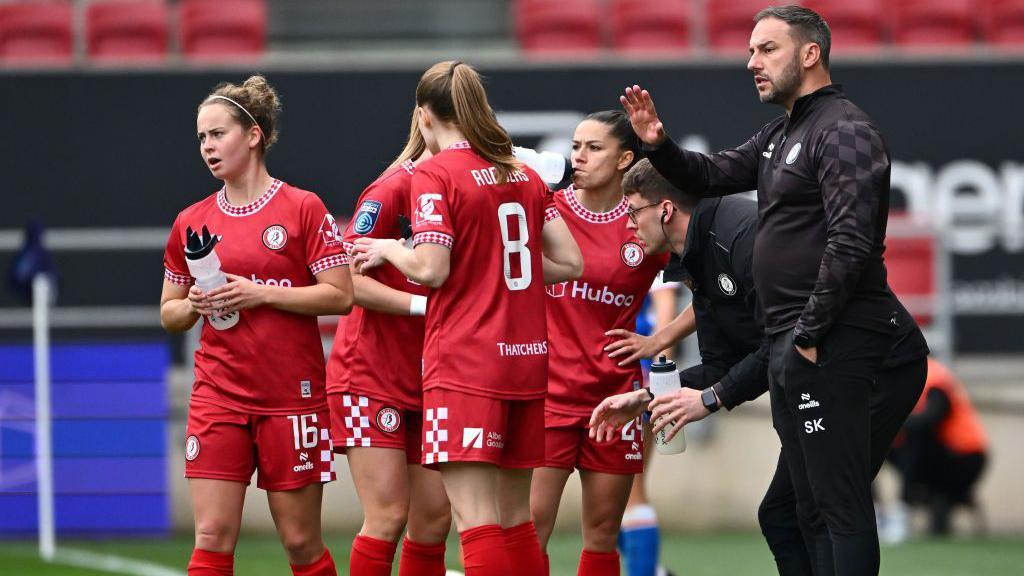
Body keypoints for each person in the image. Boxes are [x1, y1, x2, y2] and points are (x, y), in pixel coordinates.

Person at [589, 159, 929, 576]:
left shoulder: (746, 234)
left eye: (632, 211)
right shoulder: (695, 253)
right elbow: (720, 362)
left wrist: (713, 399)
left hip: (876, 366)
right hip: (816, 372)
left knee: (829, 505)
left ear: (664, 209)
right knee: (783, 514)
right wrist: (646, 398)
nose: (627, 224)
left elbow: (786, 341)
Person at [351, 60, 583, 576]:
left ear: (423, 117)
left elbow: (431, 268)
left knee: (474, 518)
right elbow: (571, 262)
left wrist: (391, 247)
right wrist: (491, 265)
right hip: (526, 359)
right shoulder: (519, 171)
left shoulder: (434, 173)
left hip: (467, 363)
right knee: (516, 518)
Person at [159, 76, 353, 576]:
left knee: (301, 542)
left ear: (254, 135)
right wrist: (196, 304)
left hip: (292, 396)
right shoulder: (190, 221)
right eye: (201, 137)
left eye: (217, 134)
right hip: (218, 394)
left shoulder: (303, 208)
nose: (207, 146)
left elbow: (341, 295)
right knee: (211, 536)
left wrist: (260, 292)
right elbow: (169, 312)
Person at [528, 111, 667, 576]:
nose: (578, 157)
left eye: (593, 148)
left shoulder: (645, 226)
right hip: (546, 396)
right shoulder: (545, 209)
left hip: (614, 400)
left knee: (604, 536)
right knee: (530, 530)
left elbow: (709, 290)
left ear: (626, 158)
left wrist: (658, 340)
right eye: (575, 146)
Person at [326, 111, 453, 576]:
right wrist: (422, 308)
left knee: (435, 518)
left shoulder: (460, 187)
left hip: (433, 375)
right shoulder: (393, 188)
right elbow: (346, 282)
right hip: (371, 375)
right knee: (388, 516)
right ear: (427, 123)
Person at [614, 276, 678, 576]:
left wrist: (660, 385)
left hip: (632, 380)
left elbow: (665, 312)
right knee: (608, 496)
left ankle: (646, 571)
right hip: (599, 377)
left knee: (630, 490)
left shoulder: (647, 240)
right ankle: (652, 570)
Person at [888, 358, 988, 537]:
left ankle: (903, 506)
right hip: (949, 454)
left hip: (963, 455)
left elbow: (933, 416)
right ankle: (888, 508)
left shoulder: (931, 375)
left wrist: (895, 423)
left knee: (915, 438)